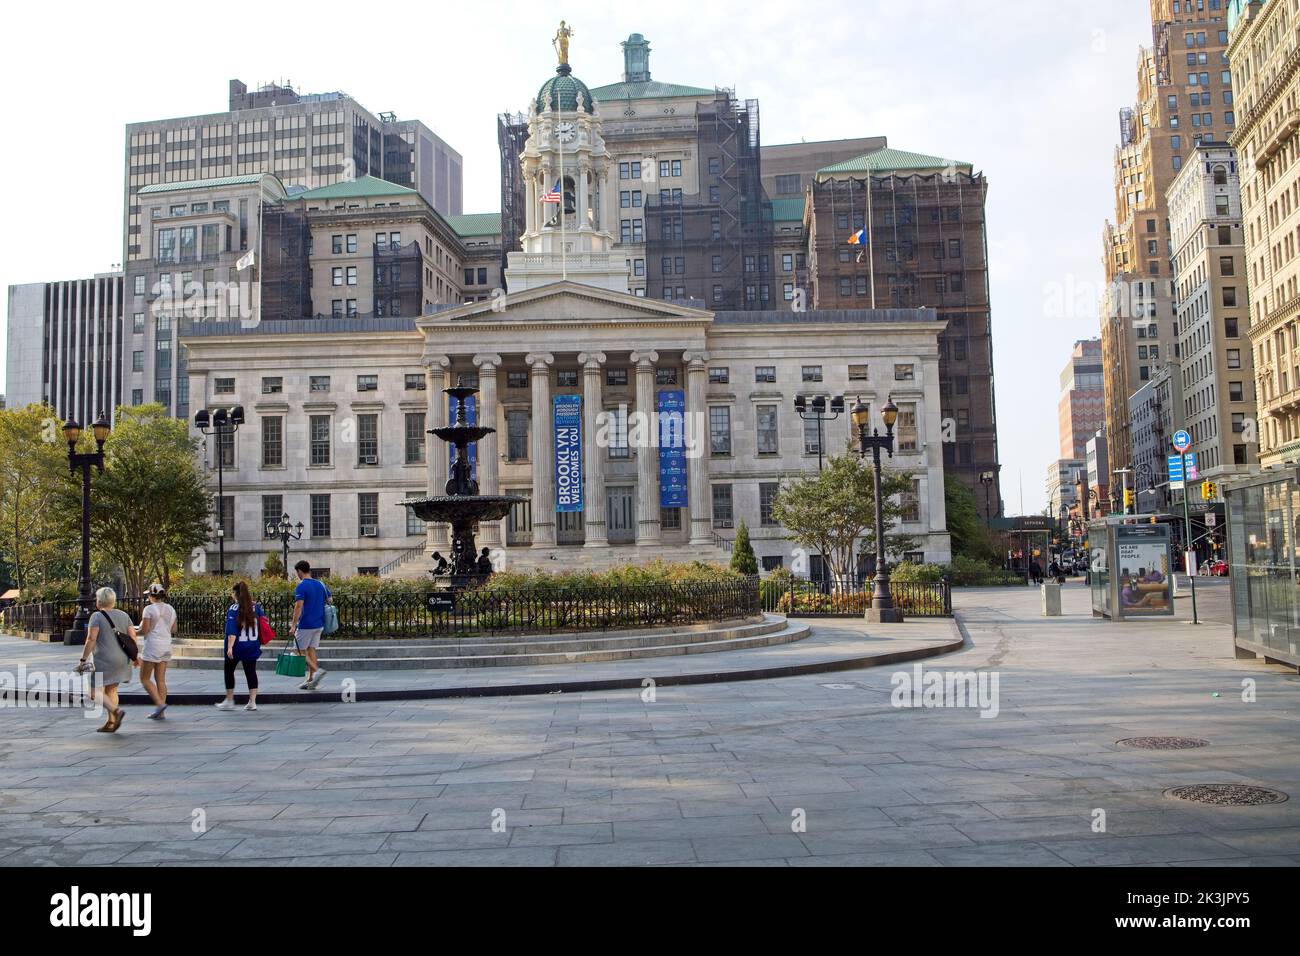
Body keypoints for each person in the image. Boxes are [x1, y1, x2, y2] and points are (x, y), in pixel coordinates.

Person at [76, 587, 137, 733]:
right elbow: (133, 637)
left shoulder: (96, 616)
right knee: (112, 689)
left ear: (99, 601)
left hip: (104, 659)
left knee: (93, 691)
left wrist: (83, 660)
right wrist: (135, 656)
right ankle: (111, 722)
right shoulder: (124, 615)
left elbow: (91, 639)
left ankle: (116, 711)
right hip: (123, 658)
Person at [216, 581, 262, 711]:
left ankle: (229, 699)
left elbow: (232, 631)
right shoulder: (256, 607)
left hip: (237, 646)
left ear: (235, 594)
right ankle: (252, 702)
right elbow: (264, 622)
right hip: (252, 645)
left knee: (229, 671)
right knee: (251, 672)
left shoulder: (234, 608)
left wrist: (230, 647)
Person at [137, 583, 176, 720]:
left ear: (152, 596)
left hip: (153, 646)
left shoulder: (148, 609)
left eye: (148, 594)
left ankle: (159, 704)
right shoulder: (171, 609)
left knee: (144, 678)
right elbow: (174, 630)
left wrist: (134, 632)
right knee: (160, 680)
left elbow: (144, 630)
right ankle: (161, 711)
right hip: (166, 645)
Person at [290, 560, 331, 690]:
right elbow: (330, 599)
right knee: (311, 649)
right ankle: (311, 680)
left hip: (306, 624)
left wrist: (293, 625)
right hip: (319, 623)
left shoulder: (302, 585)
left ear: (300, 571)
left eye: (297, 573)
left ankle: (316, 670)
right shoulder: (320, 584)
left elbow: (298, 606)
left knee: (298, 650)